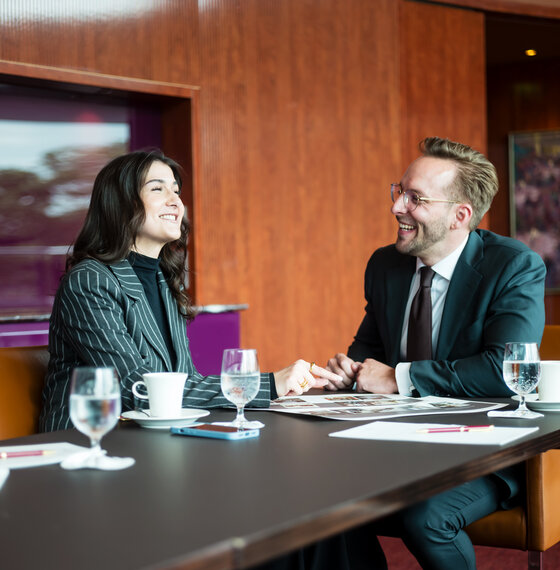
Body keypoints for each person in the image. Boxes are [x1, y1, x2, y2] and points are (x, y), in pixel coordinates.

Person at [325, 136, 546, 569]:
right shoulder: (385, 265)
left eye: (416, 198)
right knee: (319, 494)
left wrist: (398, 378)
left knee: (425, 516)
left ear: (460, 215)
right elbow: (368, 353)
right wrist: (348, 371)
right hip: (392, 441)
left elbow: (506, 371)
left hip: (485, 450)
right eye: (399, 191)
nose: (397, 207)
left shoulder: (513, 266)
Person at [40, 149, 341, 432]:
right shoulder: (90, 280)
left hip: (152, 438)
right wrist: (269, 384)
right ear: (120, 203)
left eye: (176, 190)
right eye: (158, 189)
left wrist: (267, 388)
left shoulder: (163, 280)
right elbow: (136, 388)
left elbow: (186, 381)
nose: (175, 201)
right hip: (88, 444)